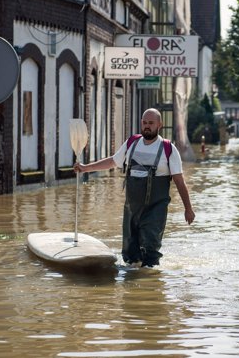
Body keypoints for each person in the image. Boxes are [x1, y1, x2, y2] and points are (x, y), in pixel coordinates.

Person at [74, 108, 195, 267]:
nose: (147, 126)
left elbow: (180, 181)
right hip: (131, 209)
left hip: (155, 209)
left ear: (160, 124)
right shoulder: (132, 143)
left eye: (151, 123)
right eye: (144, 122)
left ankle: (150, 283)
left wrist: (188, 208)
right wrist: (85, 168)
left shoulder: (168, 149)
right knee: (130, 255)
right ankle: (132, 284)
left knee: (150, 248)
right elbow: (112, 162)